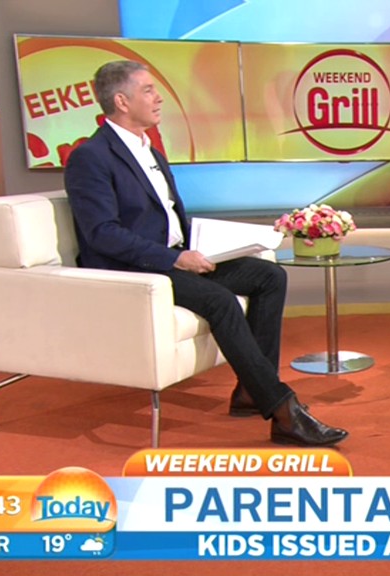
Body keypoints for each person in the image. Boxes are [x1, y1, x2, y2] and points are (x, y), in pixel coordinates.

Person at [64, 60, 347, 447]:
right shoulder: (91, 157)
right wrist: (174, 259)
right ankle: (283, 410)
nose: (158, 97)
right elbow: (102, 233)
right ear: (121, 101)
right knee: (219, 300)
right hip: (137, 269)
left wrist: (214, 243)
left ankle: (250, 392)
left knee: (269, 276)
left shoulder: (151, 152)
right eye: (148, 90)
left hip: (174, 257)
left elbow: (165, 216)